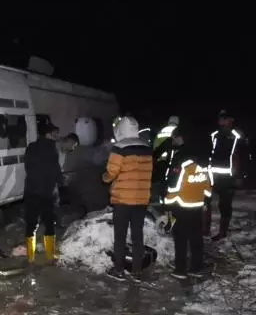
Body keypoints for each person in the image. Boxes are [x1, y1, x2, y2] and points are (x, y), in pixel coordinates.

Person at [102, 116, 153, 282]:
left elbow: (111, 173)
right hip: (141, 199)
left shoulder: (119, 147)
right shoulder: (147, 147)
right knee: (138, 235)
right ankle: (137, 271)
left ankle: (119, 270)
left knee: (120, 236)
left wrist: (105, 178)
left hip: (123, 200)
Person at [163, 127, 212, 279]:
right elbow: (208, 184)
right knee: (196, 237)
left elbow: (173, 185)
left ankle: (180, 269)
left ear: (180, 137)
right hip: (197, 204)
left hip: (181, 204)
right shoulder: (203, 159)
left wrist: (167, 205)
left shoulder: (180, 159)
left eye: (174, 137)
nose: (173, 140)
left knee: (181, 238)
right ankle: (196, 267)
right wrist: (205, 200)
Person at [23, 123, 63, 264]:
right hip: (46, 193)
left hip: (31, 191)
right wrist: (61, 182)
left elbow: (27, 166)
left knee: (31, 224)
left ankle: (30, 257)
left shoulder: (31, 147)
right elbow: (55, 170)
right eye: (55, 133)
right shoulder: (51, 149)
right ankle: (50, 256)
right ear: (49, 133)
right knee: (49, 224)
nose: (57, 136)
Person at [206, 110, 245, 240]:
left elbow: (241, 156)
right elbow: (209, 153)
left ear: (230, 120)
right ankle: (205, 229)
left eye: (223, 118)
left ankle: (223, 232)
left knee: (225, 205)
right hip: (212, 175)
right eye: (220, 118)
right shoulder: (214, 135)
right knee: (206, 203)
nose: (220, 120)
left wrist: (239, 175)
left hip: (228, 177)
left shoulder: (237, 136)